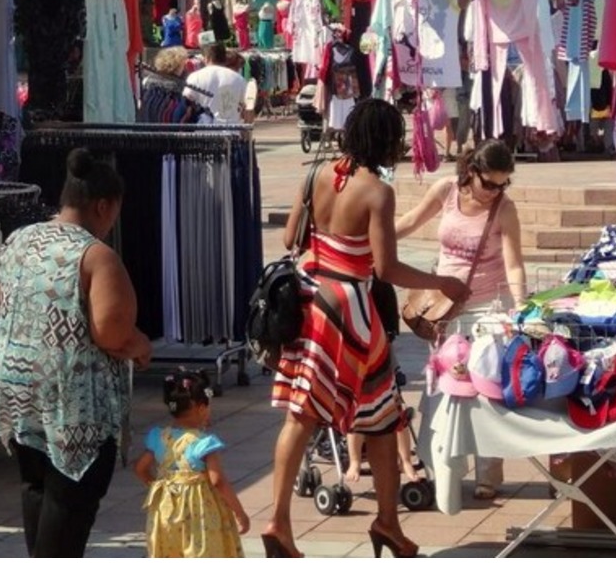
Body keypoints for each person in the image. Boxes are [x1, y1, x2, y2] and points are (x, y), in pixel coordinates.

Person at [263, 98, 467, 559]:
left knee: (308, 411)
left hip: (309, 299)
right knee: (379, 413)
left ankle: (287, 519)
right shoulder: (377, 191)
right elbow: (388, 268)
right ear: (385, 140)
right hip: (349, 308)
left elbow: (289, 238)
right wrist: (441, 282)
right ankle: (381, 522)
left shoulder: (316, 174)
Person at [0, 148, 152, 557]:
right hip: (71, 404)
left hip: (17, 389)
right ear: (103, 206)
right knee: (69, 500)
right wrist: (141, 344)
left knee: (36, 488)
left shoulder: (19, 238)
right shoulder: (96, 256)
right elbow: (110, 332)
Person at [394, 139, 528, 499]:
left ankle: (489, 472)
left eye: (503, 184)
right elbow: (409, 220)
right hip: (445, 308)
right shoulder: (446, 190)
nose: (494, 192)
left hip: (489, 306)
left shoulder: (505, 209)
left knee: (484, 388)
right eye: (490, 183)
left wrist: (520, 307)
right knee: (443, 390)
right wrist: (375, 239)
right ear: (472, 172)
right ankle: (443, 467)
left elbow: (514, 263)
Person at [134, 369, 249, 558]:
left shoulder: (159, 437)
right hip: (200, 516)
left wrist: (159, 486)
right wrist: (239, 512)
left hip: (165, 512)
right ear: (201, 407)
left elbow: (140, 468)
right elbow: (217, 480)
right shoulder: (204, 443)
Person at [185, 41, 249, 123]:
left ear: (207, 58)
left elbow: (187, 103)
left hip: (203, 131)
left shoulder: (194, 77)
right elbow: (246, 107)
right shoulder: (238, 79)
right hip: (231, 130)